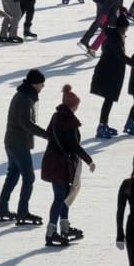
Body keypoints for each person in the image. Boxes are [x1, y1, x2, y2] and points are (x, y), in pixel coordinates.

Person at [41, 84, 96, 246]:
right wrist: (89, 160)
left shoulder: (56, 116)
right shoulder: (69, 121)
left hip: (53, 162)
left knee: (64, 196)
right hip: (61, 164)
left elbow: (48, 134)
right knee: (60, 197)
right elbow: (74, 145)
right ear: (73, 106)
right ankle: (51, 232)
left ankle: (64, 228)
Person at [0, 68, 48, 225]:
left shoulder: (23, 95)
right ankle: (22, 212)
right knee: (29, 177)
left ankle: (2, 209)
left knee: (12, 175)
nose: (42, 86)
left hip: (12, 142)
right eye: (41, 83)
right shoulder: (25, 98)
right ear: (34, 84)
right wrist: (46, 135)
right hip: (18, 144)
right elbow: (26, 123)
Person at [90, 16, 134, 139]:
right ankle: (101, 127)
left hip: (111, 73)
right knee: (108, 99)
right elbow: (121, 56)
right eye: (125, 28)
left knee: (109, 100)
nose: (126, 31)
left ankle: (104, 124)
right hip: (107, 74)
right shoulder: (114, 39)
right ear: (121, 27)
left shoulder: (115, 36)